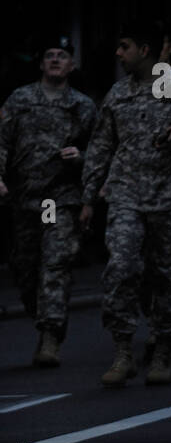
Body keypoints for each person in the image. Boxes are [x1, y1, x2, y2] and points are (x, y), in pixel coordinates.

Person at [80, 20, 171, 386]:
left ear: (144, 50)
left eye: (124, 46)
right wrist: (89, 198)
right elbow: (101, 146)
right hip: (126, 195)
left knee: (167, 276)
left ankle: (162, 351)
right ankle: (123, 350)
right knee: (121, 268)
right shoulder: (117, 93)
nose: (118, 53)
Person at [0, 34, 98, 366]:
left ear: (72, 64)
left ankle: (50, 337)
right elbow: (2, 141)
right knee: (26, 268)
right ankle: (40, 315)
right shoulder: (19, 99)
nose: (56, 60)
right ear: (41, 64)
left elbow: (102, 151)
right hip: (25, 198)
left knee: (55, 265)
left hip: (60, 197)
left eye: (62, 55)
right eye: (50, 55)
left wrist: (81, 158)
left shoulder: (83, 105)